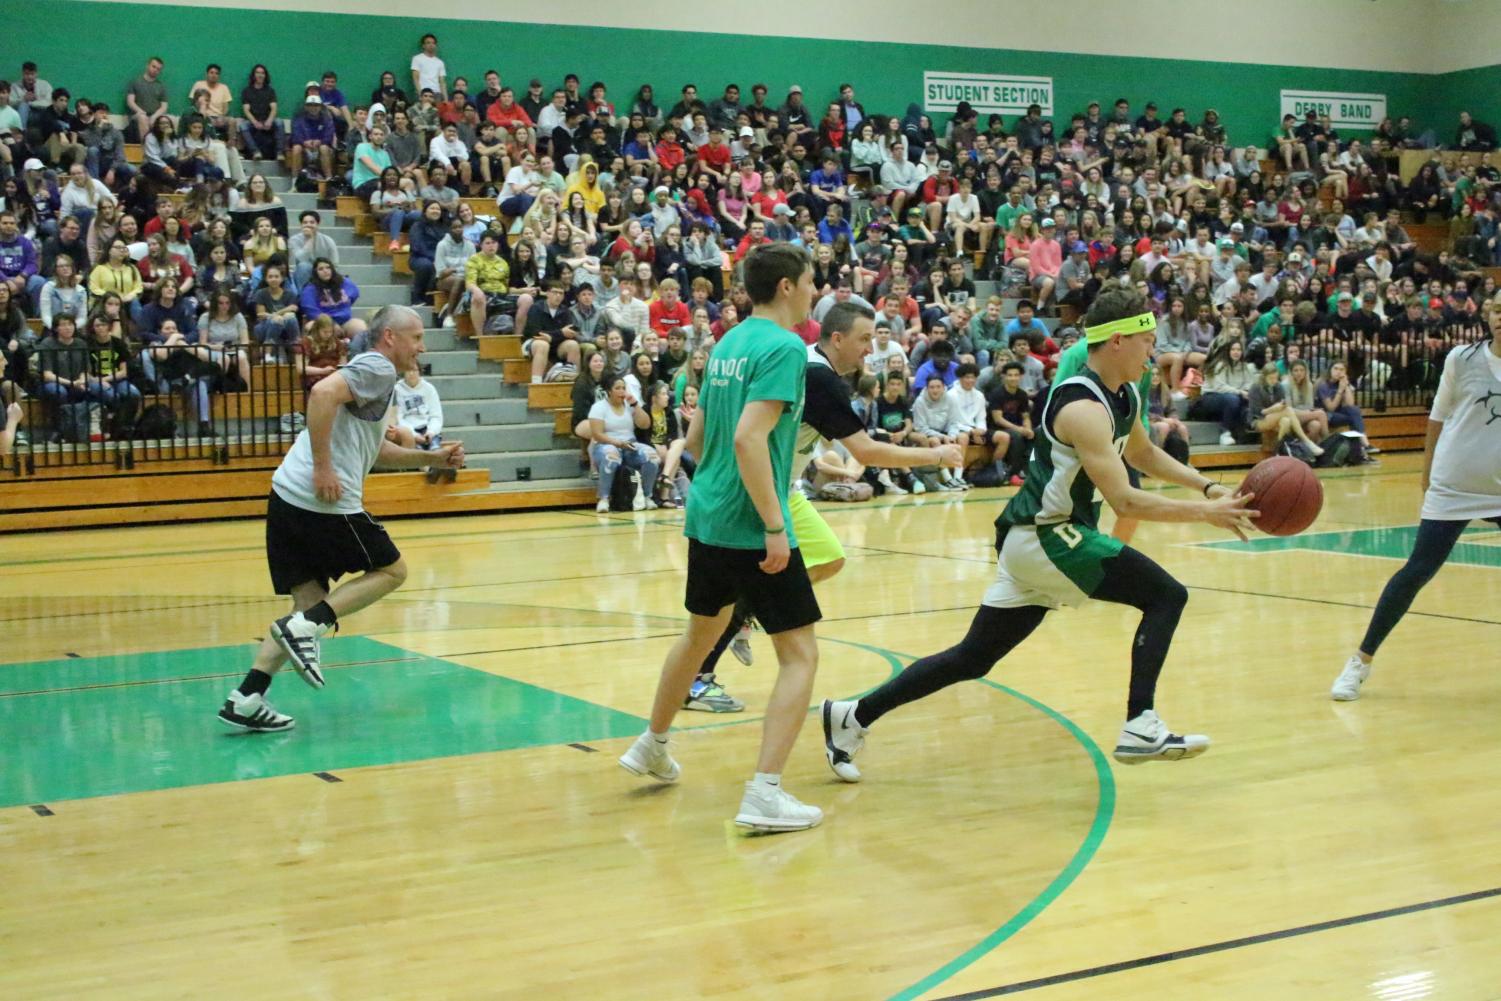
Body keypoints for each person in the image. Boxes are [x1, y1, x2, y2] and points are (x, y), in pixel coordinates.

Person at [819, 289, 1257, 784]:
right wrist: (1207, 513)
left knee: (973, 657)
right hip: (1050, 535)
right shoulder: (1080, 406)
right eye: (1146, 341)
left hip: (1040, 539)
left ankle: (851, 715)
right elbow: (1126, 501)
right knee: (1166, 595)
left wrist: (1210, 485)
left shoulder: (1125, 394)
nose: (1153, 352)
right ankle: (1140, 722)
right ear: (1117, 341)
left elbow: (1145, 456)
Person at [616, 243, 827, 832]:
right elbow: (746, 439)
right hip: (750, 525)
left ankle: (652, 743)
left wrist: (721, 492)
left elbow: (701, 437)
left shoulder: (727, 342)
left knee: (701, 632)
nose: (814, 291)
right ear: (786, 286)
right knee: (800, 654)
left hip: (707, 513)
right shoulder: (785, 348)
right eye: (810, 282)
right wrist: (773, 526)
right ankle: (764, 792)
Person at [684, 302, 965, 713]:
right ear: (837, 339)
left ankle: (745, 619)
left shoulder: (814, 370)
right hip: (761, 491)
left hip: (781, 487)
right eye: (864, 339)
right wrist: (937, 456)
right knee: (736, 603)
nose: (871, 350)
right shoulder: (819, 380)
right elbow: (866, 451)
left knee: (829, 557)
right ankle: (699, 678)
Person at [217, 305, 465, 732]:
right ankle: (306, 627)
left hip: (285, 497)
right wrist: (323, 467)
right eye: (417, 337)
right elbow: (320, 395)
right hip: (323, 502)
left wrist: (432, 457)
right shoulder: (378, 367)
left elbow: (377, 451)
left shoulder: (372, 379)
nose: (421, 347)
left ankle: (247, 695)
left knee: (306, 606)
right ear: (390, 336)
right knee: (391, 570)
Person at [1332, 309, 1501, 701]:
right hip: (1455, 484)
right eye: (1497, 310)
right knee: (1418, 571)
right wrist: (1427, 476)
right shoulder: (1463, 358)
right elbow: (1438, 417)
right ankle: (1360, 661)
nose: (1500, 318)